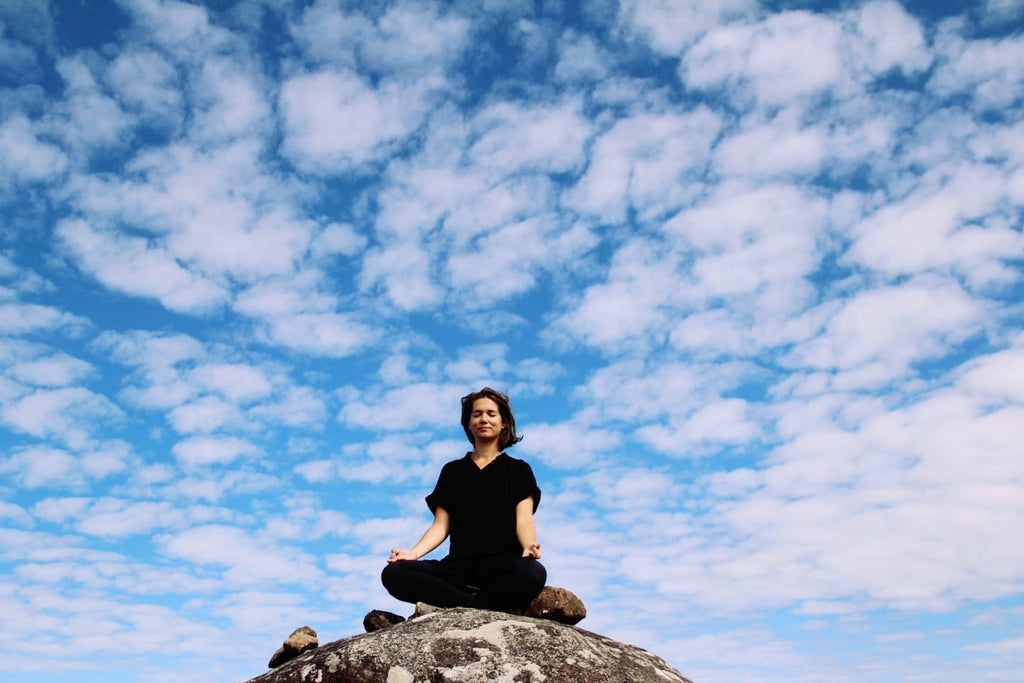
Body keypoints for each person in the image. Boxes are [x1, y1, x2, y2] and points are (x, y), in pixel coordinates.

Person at [381, 387, 546, 613]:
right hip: (457, 569)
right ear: (468, 424)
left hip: (502, 567)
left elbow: (524, 520)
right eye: (476, 414)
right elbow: (441, 525)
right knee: (394, 573)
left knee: (533, 573)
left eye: (491, 414)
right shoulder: (452, 471)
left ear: (504, 422)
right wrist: (414, 554)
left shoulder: (519, 470)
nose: (483, 419)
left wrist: (529, 545)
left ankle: (465, 606)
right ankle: (480, 607)